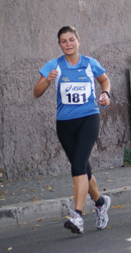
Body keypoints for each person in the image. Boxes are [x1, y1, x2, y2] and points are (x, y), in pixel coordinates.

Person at [34, 26, 112, 234]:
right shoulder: (54, 66)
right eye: (63, 41)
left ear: (78, 40)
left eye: (71, 40)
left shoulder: (89, 63)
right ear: (59, 44)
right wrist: (48, 81)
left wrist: (106, 93)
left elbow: (104, 80)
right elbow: (36, 92)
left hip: (89, 118)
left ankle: (77, 215)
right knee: (83, 168)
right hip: (65, 124)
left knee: (77, 165)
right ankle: (100, 202)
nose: (68, 44)